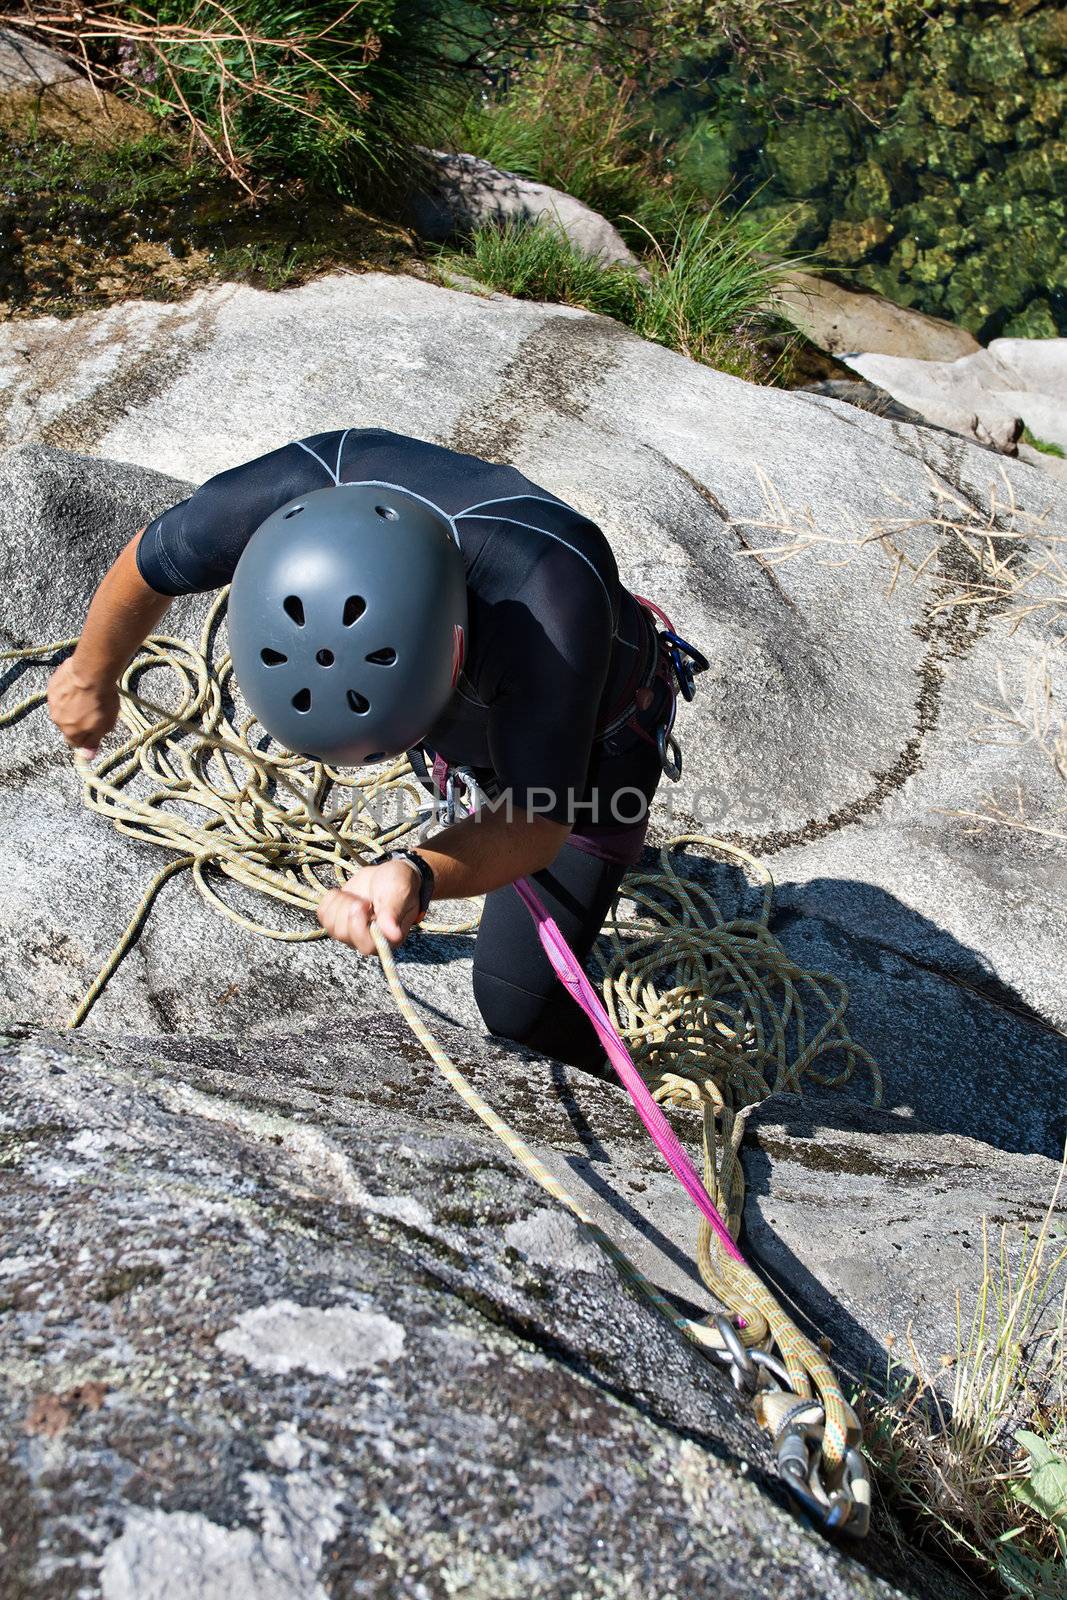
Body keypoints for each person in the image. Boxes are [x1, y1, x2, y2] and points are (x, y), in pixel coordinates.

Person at [48, 427, 701, 1069]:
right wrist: (90, 673)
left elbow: (533, 822)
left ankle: (627, 1101)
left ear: (446, 650)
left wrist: (414, 873)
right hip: (478, 697)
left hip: (599, 746)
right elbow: (152, 564)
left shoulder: (549, 597)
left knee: (516, 1007)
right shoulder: (285, 499)